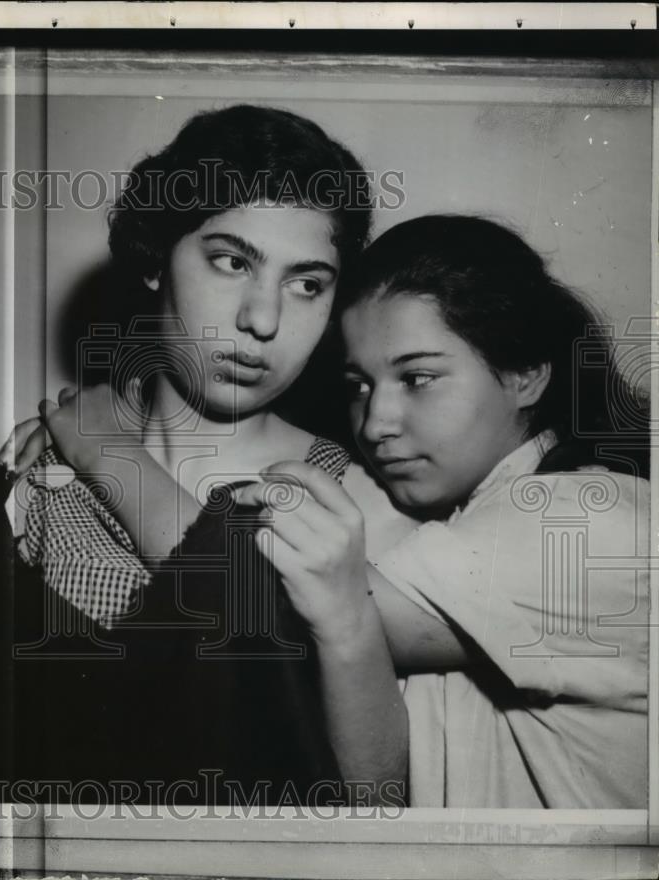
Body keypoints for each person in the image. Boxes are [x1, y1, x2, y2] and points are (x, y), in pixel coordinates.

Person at [0, 105, 410, 805]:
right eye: (231, 261)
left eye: (307, 283)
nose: (264, 319)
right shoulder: (40, 478)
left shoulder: (356, 498)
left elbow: (380, 802)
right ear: (156, 259)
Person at [232, 214, 650, 808]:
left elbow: (257, 602)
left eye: (419, 378)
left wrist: (107, 453)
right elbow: (379, 790)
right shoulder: (469, 522)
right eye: (359, 386)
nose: (376, 423)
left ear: (526, 373)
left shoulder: (579, 521)